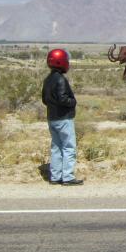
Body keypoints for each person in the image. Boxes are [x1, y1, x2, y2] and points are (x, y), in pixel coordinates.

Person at [41, 49, 83, 185]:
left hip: (52, 118)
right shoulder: (61, 79)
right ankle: (68, 177)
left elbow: (44, 100)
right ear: (62, 62)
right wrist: (73, 102)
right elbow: (63, 99)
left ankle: (55, 176)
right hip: (64, 118)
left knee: (56, 147)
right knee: (69, 147)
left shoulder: (47, 79)